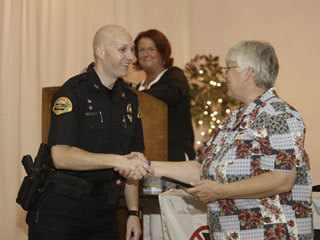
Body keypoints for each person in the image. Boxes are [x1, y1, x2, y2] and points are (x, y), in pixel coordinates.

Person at [119, 41, 313, 239]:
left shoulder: (279, 114)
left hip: (269, 233)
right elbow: (202, 168)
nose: (224, 74)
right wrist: (148, 165)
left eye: (228, 68)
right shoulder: (234, 119)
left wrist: (221, 191)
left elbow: (282, 179)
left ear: (248, 72)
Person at [26, 25, 151, 240]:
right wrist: (117, 161)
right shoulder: (72, 94)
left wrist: (133, 212)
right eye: (123, 49)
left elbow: (133, 160)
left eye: (131, 49)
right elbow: (61, 156)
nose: (131, 57)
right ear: (100, 52)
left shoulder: (130, 100)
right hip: (61, 213)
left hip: (104, 214)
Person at [133, 29, 195, 161]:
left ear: (162, 52)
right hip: (147, 160)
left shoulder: (174, 76)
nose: (146, 54)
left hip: (175, 159)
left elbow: (173, 93)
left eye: (151, 49)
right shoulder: (138, 87)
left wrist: (135, 95)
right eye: (141, 50)